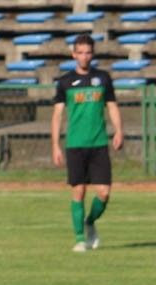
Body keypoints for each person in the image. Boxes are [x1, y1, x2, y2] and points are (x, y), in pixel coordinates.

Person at [51, 34, 124, 252]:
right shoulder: (65, 82)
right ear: (73, 54)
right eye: (80, 52)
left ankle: (89, 221)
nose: (84, 56)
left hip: (99, 143)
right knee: (79, 191)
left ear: (93, 54)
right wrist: (55, 145)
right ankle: (80, 239)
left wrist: (119, 131)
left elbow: (112, 106)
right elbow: (57, 115)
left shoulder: (103, 78)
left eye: (88, 52)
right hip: (75, 145)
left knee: (104, 193)